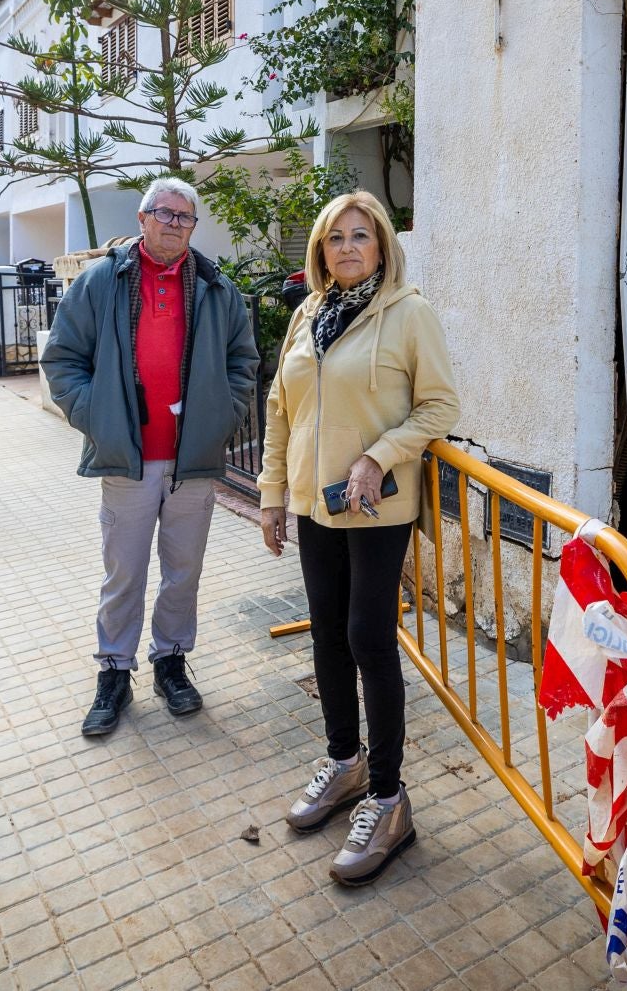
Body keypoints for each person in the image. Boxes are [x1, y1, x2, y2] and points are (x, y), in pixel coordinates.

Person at [257, 190, 460, 886]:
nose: (347, 246)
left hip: (376, 509)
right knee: (327, 636)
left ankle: (388, 796)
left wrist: (380, 453)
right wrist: (273, 495)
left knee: (369, 638)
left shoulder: (409, 314)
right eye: (335, 237)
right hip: (316, 506)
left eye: (360, 235)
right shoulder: (308, 315)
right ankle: (344, 762)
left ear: (381, 246)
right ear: (320, 250)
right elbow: (280, 409)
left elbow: (440, 405)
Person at [43, 177, 258, 738]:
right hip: (128, 460)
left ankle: (171, 662)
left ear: (192, 227)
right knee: (124, 573)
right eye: (163, 212)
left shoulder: (216, 289)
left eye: (185, 217)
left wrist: (222, 417)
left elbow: (243, 362)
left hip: (192, 462)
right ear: (143, 218)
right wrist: (98, 417)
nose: (173, 223)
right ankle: (114, 672)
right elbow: (62, 359)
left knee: (183, 572)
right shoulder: (100, 282)